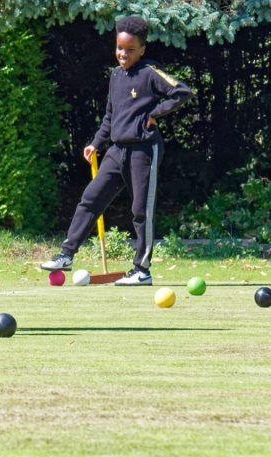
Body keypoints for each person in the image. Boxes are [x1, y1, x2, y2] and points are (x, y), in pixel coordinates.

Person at [41, 16, 192, 285]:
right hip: (116, 151)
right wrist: (96, 143)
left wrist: (155, 114)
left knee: (140, 211)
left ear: (142, 50)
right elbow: (110, 116)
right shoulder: (116, 76)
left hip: (144, 151)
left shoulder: (149, 72)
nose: (123, 54)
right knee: (90, 199)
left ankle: (142, 271)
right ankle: (66, 254)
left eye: (130, 50)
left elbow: (181, 91)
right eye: (120, 48)